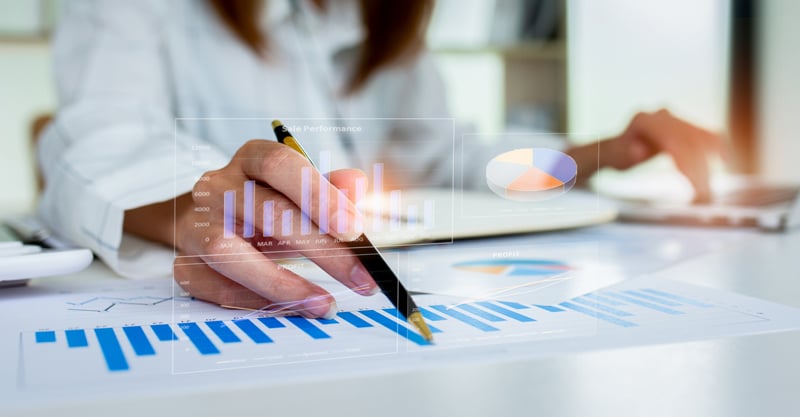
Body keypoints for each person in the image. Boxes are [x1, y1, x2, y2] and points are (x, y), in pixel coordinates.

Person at [39, 0, 723, 319]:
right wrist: (191, 208)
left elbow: (452, 157)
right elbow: (95, 139)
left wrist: (598, 152)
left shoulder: (384, 22)